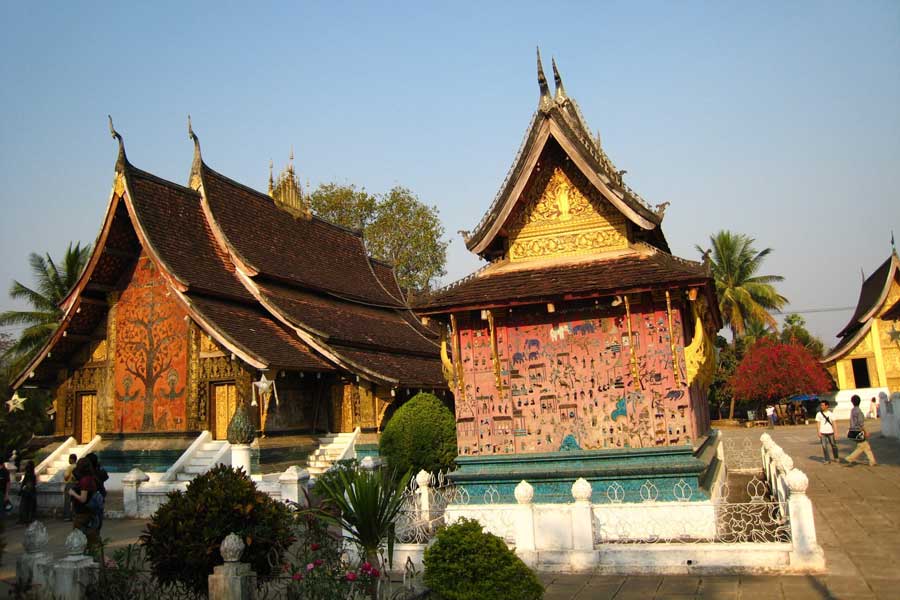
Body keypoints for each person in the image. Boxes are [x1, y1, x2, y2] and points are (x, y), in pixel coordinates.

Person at [68, 457, 99, 548]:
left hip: (83, 512)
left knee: (79, 536)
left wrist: (73, 493)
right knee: (90, 536)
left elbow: (83, 499)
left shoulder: (85, 480)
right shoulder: (90, 478)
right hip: (89, 511)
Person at [845, 395, 878, 467]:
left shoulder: (853, 410)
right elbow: (861, 423)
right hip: (858, 431)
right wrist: (866, 431)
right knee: (862, 447)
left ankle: (872, 461)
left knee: (866, 446)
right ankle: (850, 458)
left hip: (853, 430)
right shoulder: (858, 411)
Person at [85, 452, 108, 533]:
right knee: (97, 523)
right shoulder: (97, 471)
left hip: (91, 500)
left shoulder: (90, 473)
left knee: (92, 525)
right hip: (99, 498)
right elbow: (105, 477)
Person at [62, 453, 77, 520]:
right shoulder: (78, 466)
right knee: (75, 501)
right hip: (76, 485)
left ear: (72, 459)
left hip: (70, 484)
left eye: (69, 459)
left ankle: (67, 516)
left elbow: (66, 477)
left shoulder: (70, 467)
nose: (69, 460)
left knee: (67, 501)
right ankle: (74, 515)